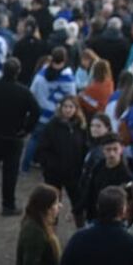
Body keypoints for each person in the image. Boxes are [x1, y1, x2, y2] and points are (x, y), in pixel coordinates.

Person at [0, 58, 39, 216]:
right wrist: (26, 129)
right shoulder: (23, 91)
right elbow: (36, 111)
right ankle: (8, 205)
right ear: (18, 72)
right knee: (10, 172)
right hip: (14, 137)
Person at [36, 95, 88, 226]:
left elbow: (85, 148)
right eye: (65, 106)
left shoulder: (81, 127)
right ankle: (51, 231)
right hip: (54, 173)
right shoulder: (51, 126)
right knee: (52, 204)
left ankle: (81, 229)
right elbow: (42, 149)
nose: (68, 110)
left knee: (78, 202)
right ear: (60, 108)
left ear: (76, 109)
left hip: (74, 173)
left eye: (71, 107)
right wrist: (49, 165)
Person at [80, 133, 133, 224]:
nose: (112, 154)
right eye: (108, 150)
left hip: (113, 220)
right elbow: (90, 190)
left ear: (121, 149)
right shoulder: (99, 166)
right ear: (103, 150)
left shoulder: (126, 174)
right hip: (94, 215)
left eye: (115, 149)